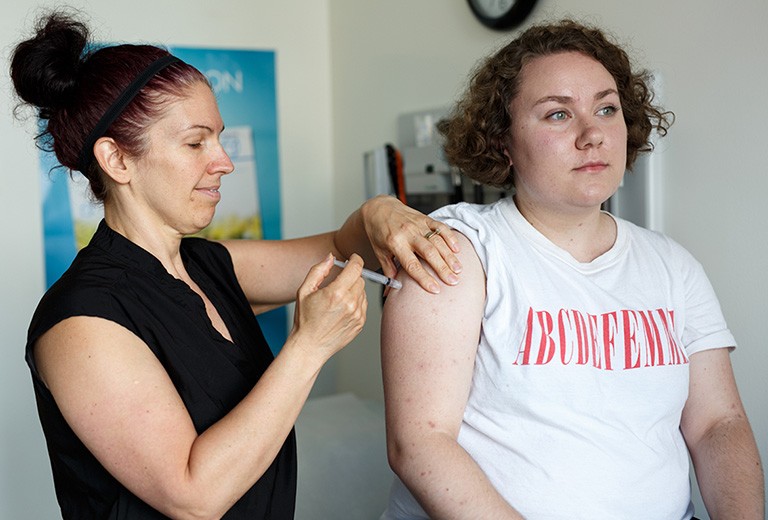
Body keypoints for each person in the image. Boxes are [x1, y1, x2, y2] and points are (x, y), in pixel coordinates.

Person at [10, 10, 464, 520]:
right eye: (195, 142)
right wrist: (309, 346)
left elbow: (341, 245)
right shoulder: (79, 323)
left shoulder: (206, 265)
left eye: (220, 138)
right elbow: (193, 496)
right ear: (117, 160)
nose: (224, 161)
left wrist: (380, 210)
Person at [380, 19, 764, 520]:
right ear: (502, 141)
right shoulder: (458, 250)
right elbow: (421, 444)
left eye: (607, 109)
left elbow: (718, 423)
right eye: (558, 114)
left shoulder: (673, 266)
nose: (592, 135)